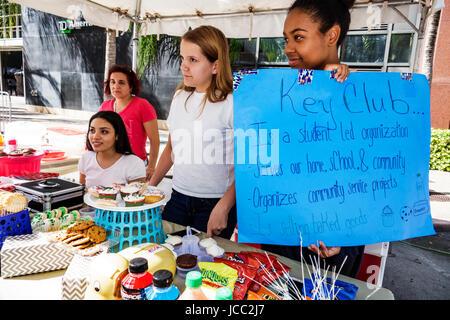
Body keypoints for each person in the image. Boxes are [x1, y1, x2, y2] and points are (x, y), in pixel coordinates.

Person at [260, 0, 365, 278]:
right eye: (286, 39)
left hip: (332, 240)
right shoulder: (282, 95)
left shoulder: (359, 98)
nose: (287, 48)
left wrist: (345, 233)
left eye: (298, 37)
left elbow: (372, 177)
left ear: (331, 35)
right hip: (282, 229)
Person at [149, 25, 236, 239]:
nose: (183, 67)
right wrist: (149, 188)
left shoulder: (232, 103)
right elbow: (171, 148)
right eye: (182, 58)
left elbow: (249, 165)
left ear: (215, 66)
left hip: (215, 204)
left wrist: (224, 207)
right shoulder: (179, 97)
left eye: (193, 60)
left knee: (205, 269)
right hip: (178, 198)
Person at [100, 64, 160, 181]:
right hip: (110, 166)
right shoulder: (104, 107)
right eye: (112, 82)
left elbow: (155, 140)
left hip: (136, 166)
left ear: (131, 86)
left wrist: (151, 167)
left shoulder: (143, 105)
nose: (116, 86)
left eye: (121, 82)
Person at [79, 111, 146, 188]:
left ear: (117, 135)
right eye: (92, 130)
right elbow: (82, 191)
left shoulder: (134, 163)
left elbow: (137, 197)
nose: (95, 137)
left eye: (104, 131)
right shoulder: (86, 158)